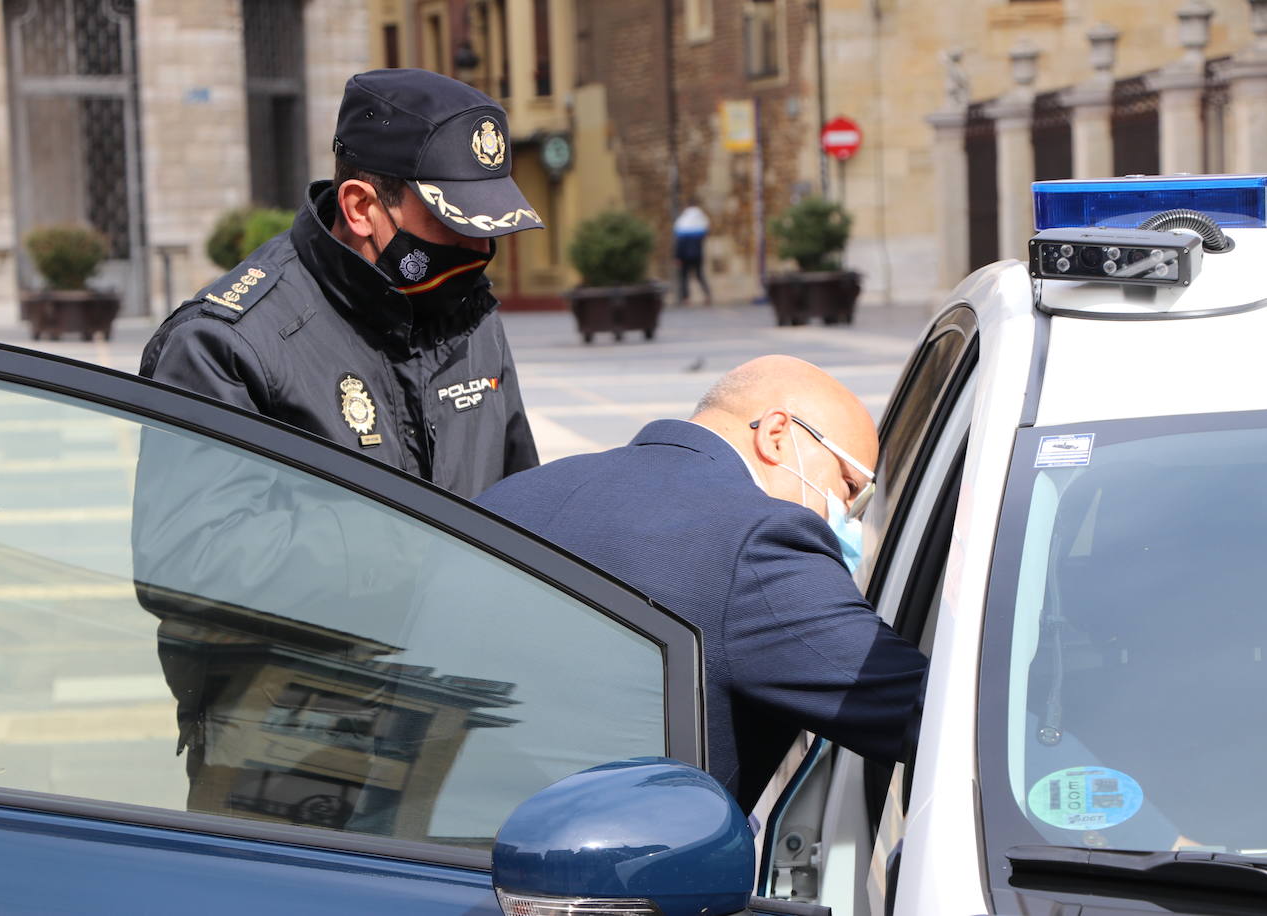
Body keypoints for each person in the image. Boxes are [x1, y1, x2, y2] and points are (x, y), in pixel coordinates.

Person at [475, 355, 928, 810]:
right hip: (620, 863)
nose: (848, 515)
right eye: (851, 488)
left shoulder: (511, 494)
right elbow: (923, 713)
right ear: (775, 435)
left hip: (436, 853)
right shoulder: (762, 542)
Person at [141, 68, 540, 499]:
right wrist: (411, 539)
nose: (480, 250)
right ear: (360, 208)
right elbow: (197, 554)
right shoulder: (224, 347)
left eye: (490, 225)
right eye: (453, 222)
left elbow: (521, 503)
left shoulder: (469, 313)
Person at [673, 202, 712, 305]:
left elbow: (679, 242)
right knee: (699, 275)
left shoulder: (682, 222)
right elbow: (704, 236)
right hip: (697, 255)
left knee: (684, 277)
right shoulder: (700, 221)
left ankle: (686, 298)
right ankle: (707, 295)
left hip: (685, 255)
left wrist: (677, 256)